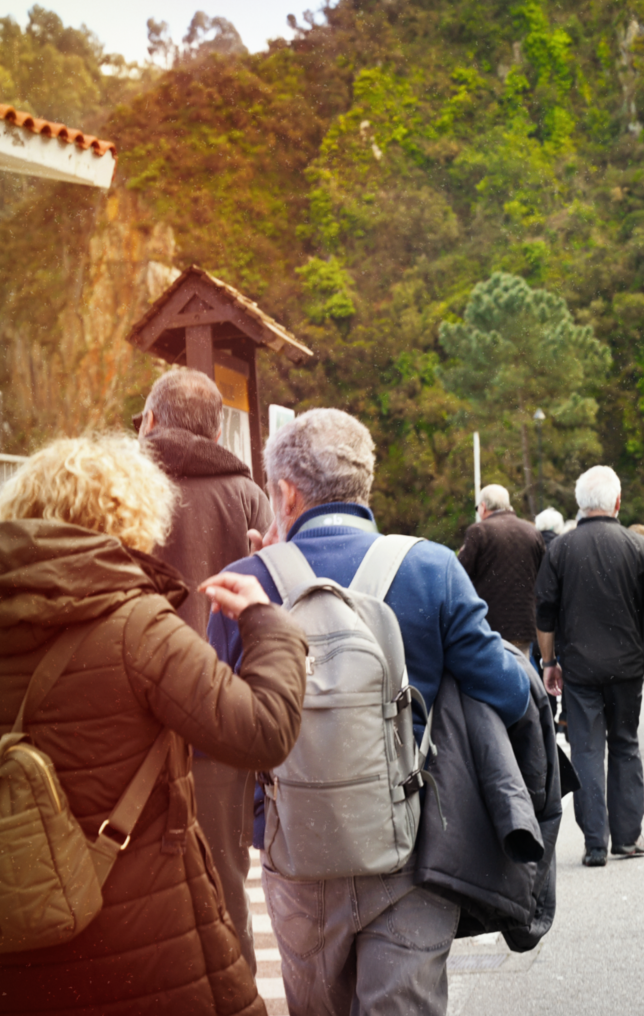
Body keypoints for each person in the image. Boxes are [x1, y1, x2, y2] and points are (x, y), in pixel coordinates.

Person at [0, 433, 307, 1016]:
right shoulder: (138, 625)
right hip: (139, 948)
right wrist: (266, 622)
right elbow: (262, 731)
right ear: (128, 514)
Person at [210, 409, 532, 1016]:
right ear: (364, 483)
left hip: (295, 849)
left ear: (285, 492)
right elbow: (510, 694)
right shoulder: (431, 567)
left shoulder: (242, 583)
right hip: (408, 849)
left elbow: (219, 730)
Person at [135, 368, 275, 969]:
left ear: (152, 421)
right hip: (221, 716)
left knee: (138, 886)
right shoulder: (249, 498)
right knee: (222, 883)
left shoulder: (129, 489)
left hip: (140, 717)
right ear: (217, 429)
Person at [535, 466, 644, 868]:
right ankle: (627, 838)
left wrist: (549, 661)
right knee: (625, 745)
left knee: (587, 750)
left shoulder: (559, 549)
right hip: (627, 668)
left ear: (580, 504)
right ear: (617, 502)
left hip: (579, 669)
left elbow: (545, 612)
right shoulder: (640, 547)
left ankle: (595, 843)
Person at [457, 484, 545, 651]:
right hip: (524, 625)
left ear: (483, 507)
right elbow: (543, 577)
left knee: (490, 675)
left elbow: (459, 575)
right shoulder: (532, 532)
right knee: (521, 674)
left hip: (488, 626)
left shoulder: (479, 531)